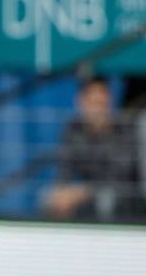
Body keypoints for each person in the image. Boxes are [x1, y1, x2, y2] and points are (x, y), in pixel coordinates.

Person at [46, 77, 143, 223]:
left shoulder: (123, 130)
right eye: (92, 103)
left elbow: (120, 178)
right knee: (50, 198)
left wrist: (83, 192)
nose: (98, 110)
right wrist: (62, 191)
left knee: (106, 199)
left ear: (110, 102)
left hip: (127, 196)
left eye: (101, 104)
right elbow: (64, 169)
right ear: (80, 102)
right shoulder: (73, 130)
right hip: (89, 194)